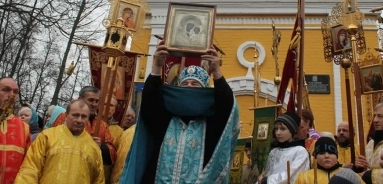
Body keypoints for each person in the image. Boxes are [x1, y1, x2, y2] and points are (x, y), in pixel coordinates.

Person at [120, 41, 239, 183]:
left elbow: (226, 106)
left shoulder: (210, 121)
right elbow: (150, 102)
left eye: (195, 84)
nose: (189, 87)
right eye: (185, 84)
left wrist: (216, 72)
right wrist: (157, 66)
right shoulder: (166, 116)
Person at [14, 100, 105, 184]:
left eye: (83, 116)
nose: (79, 120)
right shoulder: (47, 136)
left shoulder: (93, 147)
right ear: (66, 115)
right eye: (75, 115)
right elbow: (30, 169)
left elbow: (98, 180)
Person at [53, 86, 117, 167]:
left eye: (97, 101)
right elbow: (53, 141)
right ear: (80, 99)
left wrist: (102, 146)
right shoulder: (66, 117)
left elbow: (113, 154)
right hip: (63, 165)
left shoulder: (102, 125)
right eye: (91, 100)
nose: (94, 104)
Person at [259, 111, 309, 184]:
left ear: (292, 130)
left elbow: (292, 176)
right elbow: (266, 173)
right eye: (276, 129)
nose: (278, 133)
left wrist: (267, 181)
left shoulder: (300, 151)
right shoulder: (274, 151)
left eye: (282, 129)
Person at [355, 102, 383, 184]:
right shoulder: (370, 142)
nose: (375, 120)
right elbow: (366, 167)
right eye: (374, 116)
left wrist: (369, 175)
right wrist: (359, 166)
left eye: (380, 116)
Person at [295, 137, 363, 184]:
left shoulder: (350, 176)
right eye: (322, 153)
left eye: (331, 153)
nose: (326, 156)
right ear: (315, 156)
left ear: (337, 155)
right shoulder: (304, 177)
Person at [0, 77, 31, 183]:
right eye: (6, 89)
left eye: (15, 92)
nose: (11, 95)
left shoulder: (24, 127)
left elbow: (28, 165)